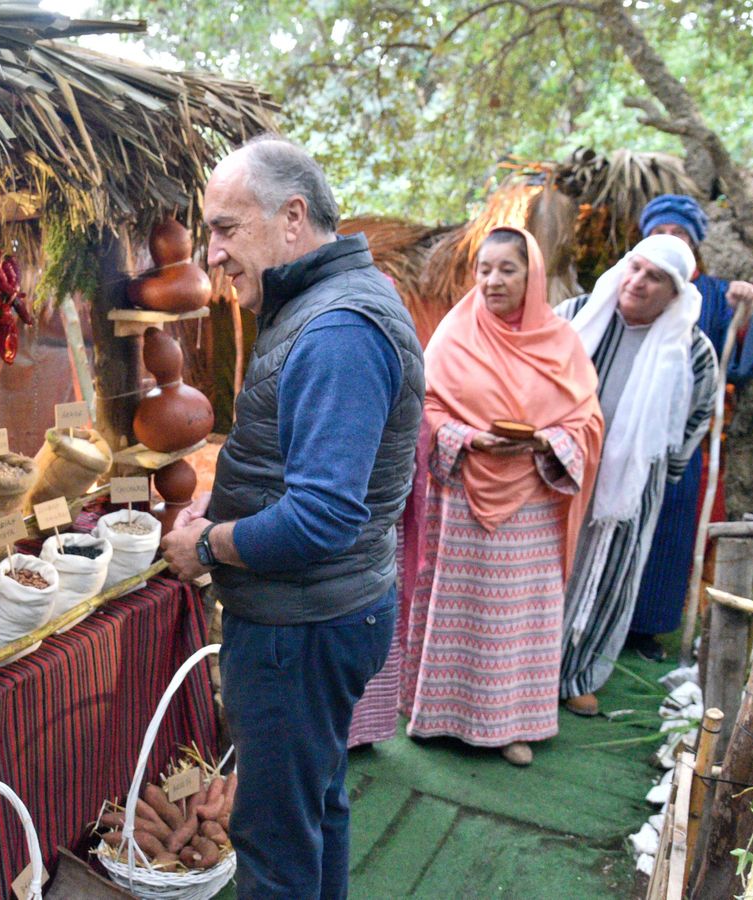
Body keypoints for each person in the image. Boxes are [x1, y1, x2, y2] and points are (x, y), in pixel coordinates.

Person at [159, 134, 424, 899]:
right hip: (324, 615)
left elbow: (320, 518)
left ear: (293, 217)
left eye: (224, 228)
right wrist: (225, 496)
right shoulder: (319, 305)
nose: (211, 253)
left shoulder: (338, 328)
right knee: (316, 806)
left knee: (274, 839)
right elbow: (293, 459)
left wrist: (207, 544)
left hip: (299, 629)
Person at [394, 227, 603, 766]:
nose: (492, 281)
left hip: (533, 498)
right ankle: (435, 713)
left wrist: (544, 442)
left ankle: (511, 726)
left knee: (514, 619)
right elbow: (427, 409)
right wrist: (466, 438)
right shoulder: (454, 334)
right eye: (484, 269)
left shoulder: (562, 342)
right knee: (459, 608)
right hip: (462, 495)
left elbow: (587, 421)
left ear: (532, 276)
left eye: (507, 269)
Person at [556, 234, 720, 716]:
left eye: (655, 278)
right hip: (559, 467)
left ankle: (578, 674)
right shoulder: (575, 316)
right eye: (635, 269)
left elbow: (697, 417)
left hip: (632, 481)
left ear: (675, 293)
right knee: (549, 568)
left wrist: (661, 476)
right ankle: (521, 671)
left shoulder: (692, 350)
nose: (638, 283)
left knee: (611, 573)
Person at [625, 195, 753, 661]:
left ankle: (647, 628)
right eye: (661, 234)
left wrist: (741, 316)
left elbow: (744, 365)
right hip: (622, 429)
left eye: (681, 236)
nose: (670, 243)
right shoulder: (626, 285)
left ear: (695, 246)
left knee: (670, 529)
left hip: (679, 440)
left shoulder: (717, 294)